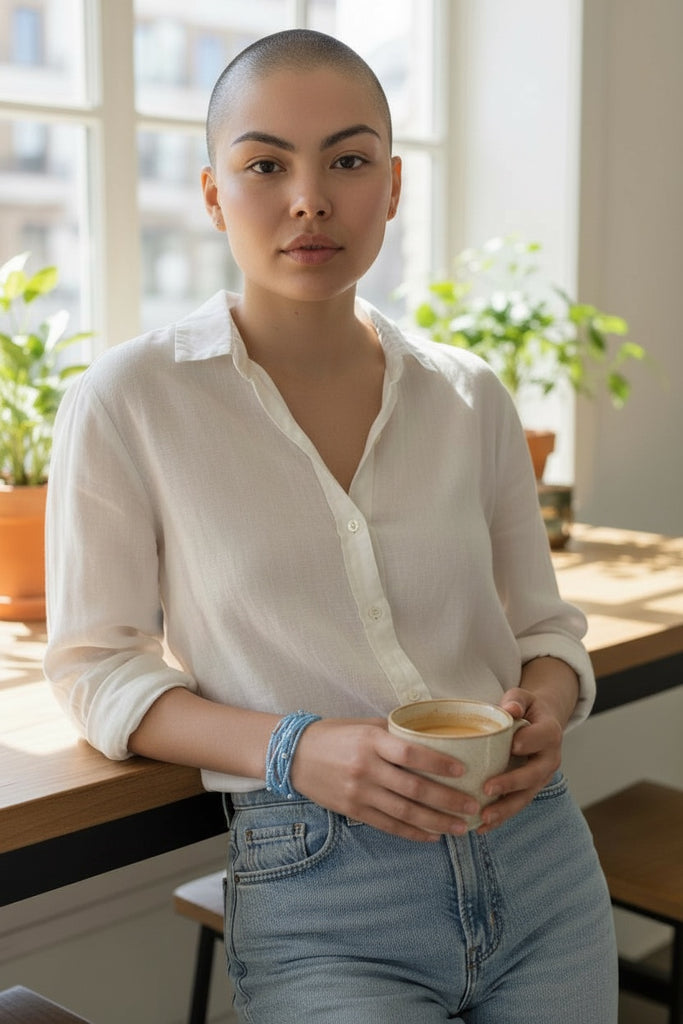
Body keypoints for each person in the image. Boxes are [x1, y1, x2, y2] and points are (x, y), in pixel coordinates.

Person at [45, 28, 618, 1024]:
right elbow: (97, 669)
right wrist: (295, 749)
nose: (309, 198)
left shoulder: (465, 394)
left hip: (538, 863)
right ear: (214, 193)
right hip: (322, 891)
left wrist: (548, 707)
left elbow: (542, 631)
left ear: (391, 187)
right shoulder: (128, 401)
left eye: (348, 161)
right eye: (265, 164)